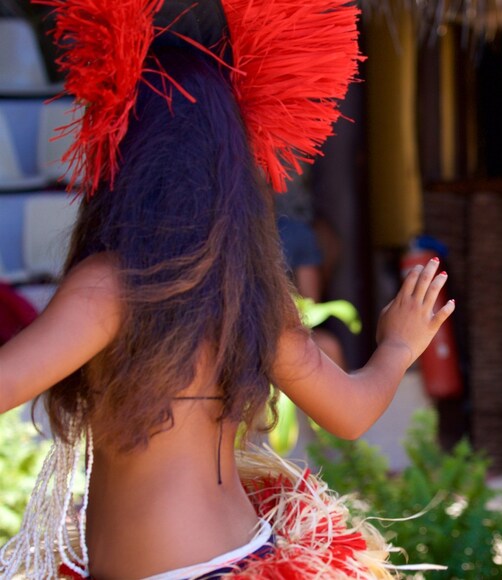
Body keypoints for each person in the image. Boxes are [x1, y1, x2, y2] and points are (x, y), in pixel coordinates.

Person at [0, 0, 454, 578]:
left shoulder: (110, 288)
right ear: (233, 170)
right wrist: (397, 347)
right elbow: (350, 413)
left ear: (127, 159)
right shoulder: (252, 292)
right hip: (238, 554)